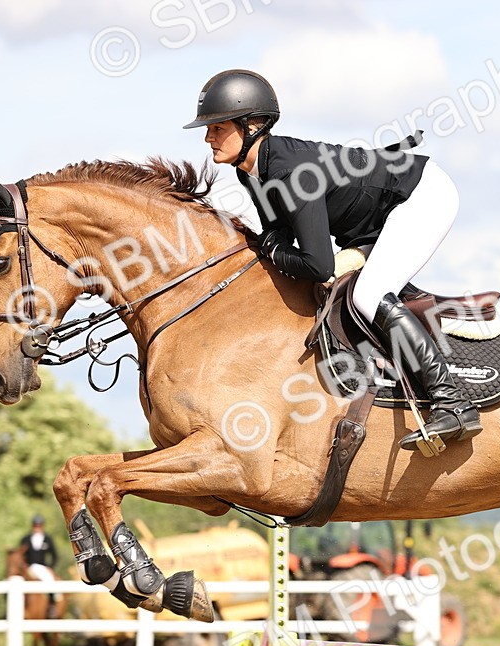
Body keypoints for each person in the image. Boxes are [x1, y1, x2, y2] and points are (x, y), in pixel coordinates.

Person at [184, 69, 481, 452]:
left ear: (252, 126)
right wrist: (272, 248)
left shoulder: (290, 173)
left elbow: (317, 264)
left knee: (369, 293)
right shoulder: (251, 173)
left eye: (217, 127)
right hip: (376, 219)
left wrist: (272, 248)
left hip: (422, 197)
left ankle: (453, 402)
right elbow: (280, 236)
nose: (208, 137)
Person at [19, 515, 60, 611]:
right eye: (35, 525)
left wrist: (50, 567)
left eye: (39, 525)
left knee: (49, 580)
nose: (37, 527)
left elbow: (54, 555)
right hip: (28, 567)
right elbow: (20, 554)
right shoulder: (26, 539)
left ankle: (51, 604)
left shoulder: (47, 539)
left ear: (42, 526)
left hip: (42, 567)